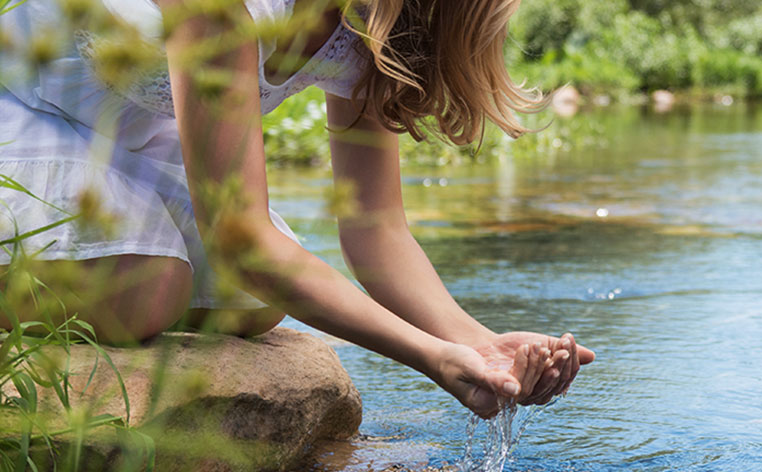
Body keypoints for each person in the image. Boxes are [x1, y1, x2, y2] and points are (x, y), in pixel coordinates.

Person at [0, 0, 593, 418]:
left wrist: (477, 344)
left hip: (128, 145)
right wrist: (429, 357)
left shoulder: (363, 34)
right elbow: (240, 237)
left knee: (255, 300)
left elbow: (377, 231)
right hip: (23, 112)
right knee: (147, 290)